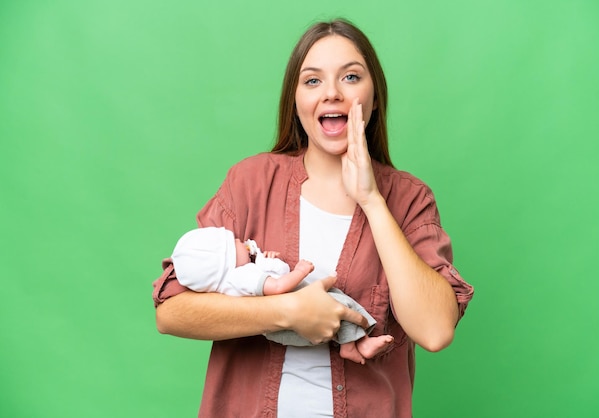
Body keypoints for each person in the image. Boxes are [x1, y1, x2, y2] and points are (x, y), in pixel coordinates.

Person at [153, 18, 474, 417]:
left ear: (374, 97)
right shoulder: (250, 182)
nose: (332, 94)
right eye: (313, 81)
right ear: (295, 101)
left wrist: (372, 200)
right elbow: (171, 312)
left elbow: (435, 331)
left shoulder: (408, 200)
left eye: (351, 77)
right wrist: (287, 312)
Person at [170, 226, 394, 364]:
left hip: (284, 325)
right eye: (235, 244)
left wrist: (266, 260)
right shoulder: (242, 276)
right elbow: (277, 288)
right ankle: (354, 346)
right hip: (287, 325)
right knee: (338, 305)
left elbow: (267, 278)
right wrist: (300, 271)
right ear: (226, 261)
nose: (242, 241)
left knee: (337, 308)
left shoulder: (241, 275)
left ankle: (356, 343)